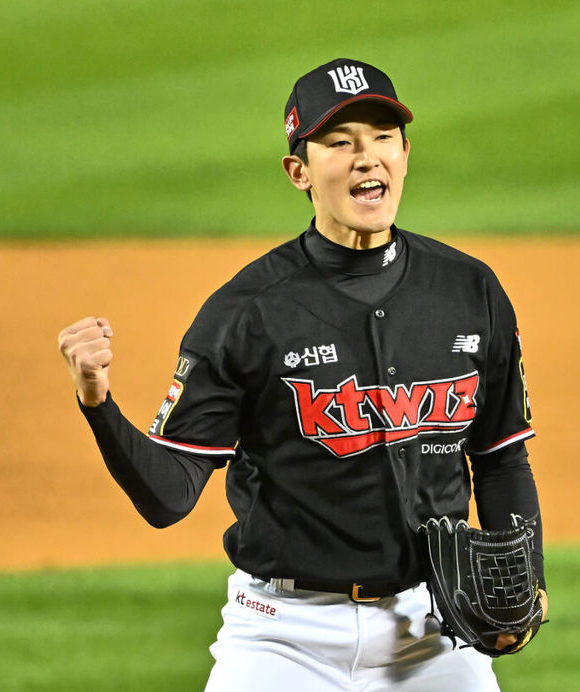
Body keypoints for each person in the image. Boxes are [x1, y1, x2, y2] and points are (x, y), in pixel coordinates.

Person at [57, 58, 547, 691]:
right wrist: (97, 402)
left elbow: (502, 456)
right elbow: (167, 497)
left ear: (405, 153)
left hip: (431, 631)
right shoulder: (247, 312)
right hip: (282, 636)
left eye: (383, 138)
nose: (367, 159)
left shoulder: (468, 290)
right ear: (300, 171)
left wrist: (524, 575)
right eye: (340, 143)